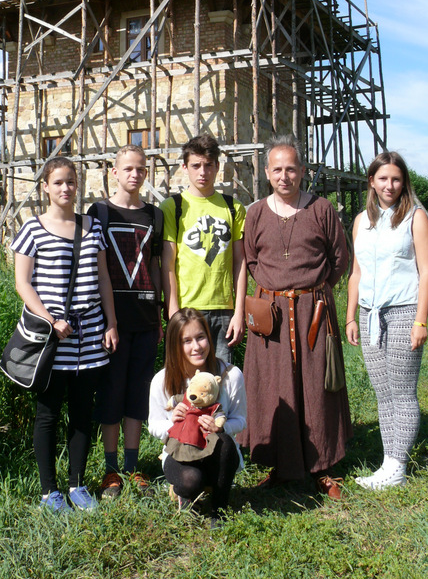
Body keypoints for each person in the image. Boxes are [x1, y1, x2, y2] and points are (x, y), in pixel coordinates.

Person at [239, 134, 352, 498]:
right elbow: (251, 260)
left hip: (313, 312)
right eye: (277, 170)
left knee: (317, 386)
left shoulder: (322, 210)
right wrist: (276, 293)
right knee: (274, 388)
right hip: (270, 315)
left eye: (291, 169)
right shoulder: (256, 213)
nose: (284, 176)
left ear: (302, 171)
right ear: (267, 173)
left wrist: (313, 292)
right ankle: (280, 464)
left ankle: (322, 467)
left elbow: (339, 259)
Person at [12, 157, 118, 512]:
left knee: (82, 414)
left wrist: (111, 322)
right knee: (48, 414)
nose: (65, 188)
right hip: (52, 338)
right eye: (58, 182)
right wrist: (50, 320)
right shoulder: (32, 229)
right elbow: (23, 283)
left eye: (70, 181)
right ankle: (49, 491)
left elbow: (103, 278)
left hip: (89, 335)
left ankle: (77, 485)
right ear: (46, 187)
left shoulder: (92, 226)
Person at [346, 151, 428, 489]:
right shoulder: (361, 221)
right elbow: (356, 273)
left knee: (402, 390)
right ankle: (388, 463)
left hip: (403, 310)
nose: (389, 185)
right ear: (371, 181)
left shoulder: (415, 217)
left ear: (404, 182)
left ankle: (398, 466)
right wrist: (350, 316)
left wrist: (420, 321)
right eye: (383, 178)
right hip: (370, 314)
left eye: (396, 179)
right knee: (383, 393)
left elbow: (426, 273)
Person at [88, 144, 164, 499]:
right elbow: (95, 268)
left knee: (138, 395)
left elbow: (157, 266)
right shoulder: (100, 212)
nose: (135, 174)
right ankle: (110, 470)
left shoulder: (154, 215)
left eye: (141, 169)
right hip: (111, 323)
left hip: (146, 319)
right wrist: (108, 321)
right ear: (114, 172)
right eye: (128, 168)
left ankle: (132, 467)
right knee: (111, 394)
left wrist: (160, 314)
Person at [148, 307, 246, 527]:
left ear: (209, 338)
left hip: (218, 456)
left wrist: (220, 427)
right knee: (191, 480)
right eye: (187, 341)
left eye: (201, 337)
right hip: (180, 454)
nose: (196, 347)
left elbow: (241, 420)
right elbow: (153, 425)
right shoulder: (162, 380)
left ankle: (219, 511)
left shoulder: (231, 375)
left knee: (225, 443)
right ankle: (185, 494)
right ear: (175, 345)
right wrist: (172, 424)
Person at [160, 134, 246, 363]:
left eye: (208, 165)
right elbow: (167, 263)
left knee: (222, 376)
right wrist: (173, 312)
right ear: (184, 167)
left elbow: (240, 262)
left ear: (217, 166)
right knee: (185, 377)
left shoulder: (233, 208)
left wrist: (239, 311)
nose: (203, 172)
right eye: (196, 165)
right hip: (187, 310)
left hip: (223, 309)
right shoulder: (172, 207)